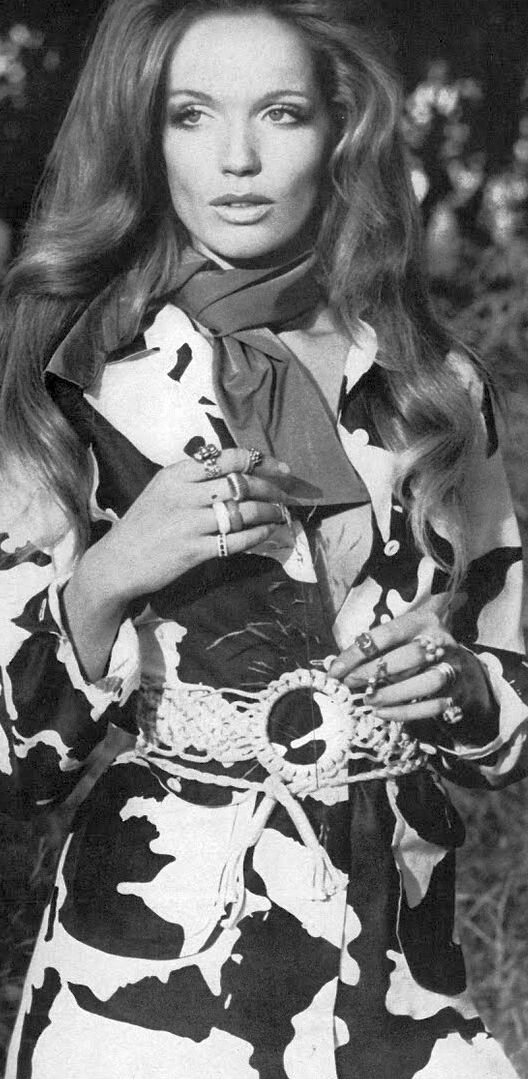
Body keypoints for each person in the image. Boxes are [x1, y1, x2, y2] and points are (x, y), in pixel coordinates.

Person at [1, 1, 527, 1075]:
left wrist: (464, 685)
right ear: (144, 136)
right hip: (148, 987)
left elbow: (510, 714)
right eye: (191, 115)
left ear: (340, 130)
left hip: (400, 971)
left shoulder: (437, 387)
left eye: (280, 113)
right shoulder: (71, 380)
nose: (236, 159)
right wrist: (106, 578)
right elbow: (23, 766)